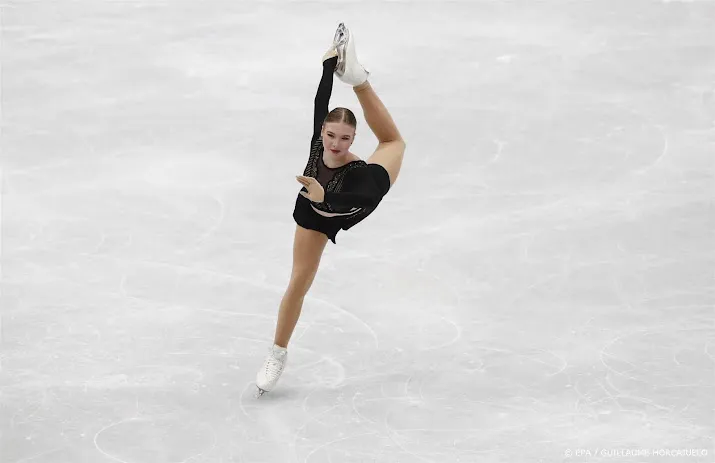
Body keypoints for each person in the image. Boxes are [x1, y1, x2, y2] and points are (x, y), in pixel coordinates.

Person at [255, 23, 406, 397]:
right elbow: (320, 102)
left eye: (345, 138)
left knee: (393, 143)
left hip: (355, 200)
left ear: (354, 140)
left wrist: (324, 196)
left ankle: (361, 82)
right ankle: (277, 353)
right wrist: (327, 64)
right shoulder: (317, 142)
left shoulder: (358, 171)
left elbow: (358, 203)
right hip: (312, 217)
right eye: (330, 135)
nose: (336, 143)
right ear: (321, 132)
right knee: (298, 285)